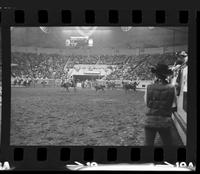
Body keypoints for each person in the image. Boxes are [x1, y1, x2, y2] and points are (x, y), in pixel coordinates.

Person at [144, 63, 177, 146]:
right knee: (168, 144)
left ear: (156, 75)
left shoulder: (149, 87)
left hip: (150, 120)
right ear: (166, 75)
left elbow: (147, 103)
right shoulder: (172, 88)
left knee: (148, 144)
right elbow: (174, 106)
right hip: (164, 121)